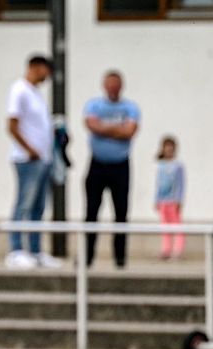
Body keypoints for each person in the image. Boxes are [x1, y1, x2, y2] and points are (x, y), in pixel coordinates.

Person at [5, 55, 62, 270]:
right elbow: (12, 125)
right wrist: (30, 150)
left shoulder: (35, 93)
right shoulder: (19, 90)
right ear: (35, 67)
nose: (46, 75)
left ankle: (36, 251)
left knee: (38, 207)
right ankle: (16, 250)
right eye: (45, 70)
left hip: (43, 159)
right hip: (28, 159)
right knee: (24, 204)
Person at [83, 70, 140, 268]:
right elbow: (91, 126)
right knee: (91, 213)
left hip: (121, 165)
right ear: (104, 86)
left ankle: (120, 258)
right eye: (109, 84)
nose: (112, 88)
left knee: (121, 214)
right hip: (97, 164)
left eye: (116, 85)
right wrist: (118, 129)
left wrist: (104, 128)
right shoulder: (94, 105)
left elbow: (130, 131)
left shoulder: (130, 107)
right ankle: (87, 257)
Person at [155, 135, 185, 260]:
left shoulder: (178, 166)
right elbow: (158, 184)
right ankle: (166, 249)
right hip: (163, 201)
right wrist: (156, 199)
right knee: (165, 227)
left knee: (177, 226)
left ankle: (178, 249)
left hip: (173, 201)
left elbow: (181, 184)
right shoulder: (161, 165)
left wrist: (179, 199)